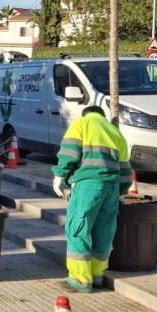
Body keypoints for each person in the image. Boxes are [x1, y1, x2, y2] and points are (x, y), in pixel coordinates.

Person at [52, 105, 133, 293]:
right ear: (103, 116)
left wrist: (60, 175)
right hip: (112, 186)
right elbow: (125, 169)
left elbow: (69, 153)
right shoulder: (115, 132)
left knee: (77, 228)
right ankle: (97, 275)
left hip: (88, 184)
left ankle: (80, 279)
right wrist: (121, 190)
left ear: (86, 114)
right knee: (104, 231)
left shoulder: (82, 123)